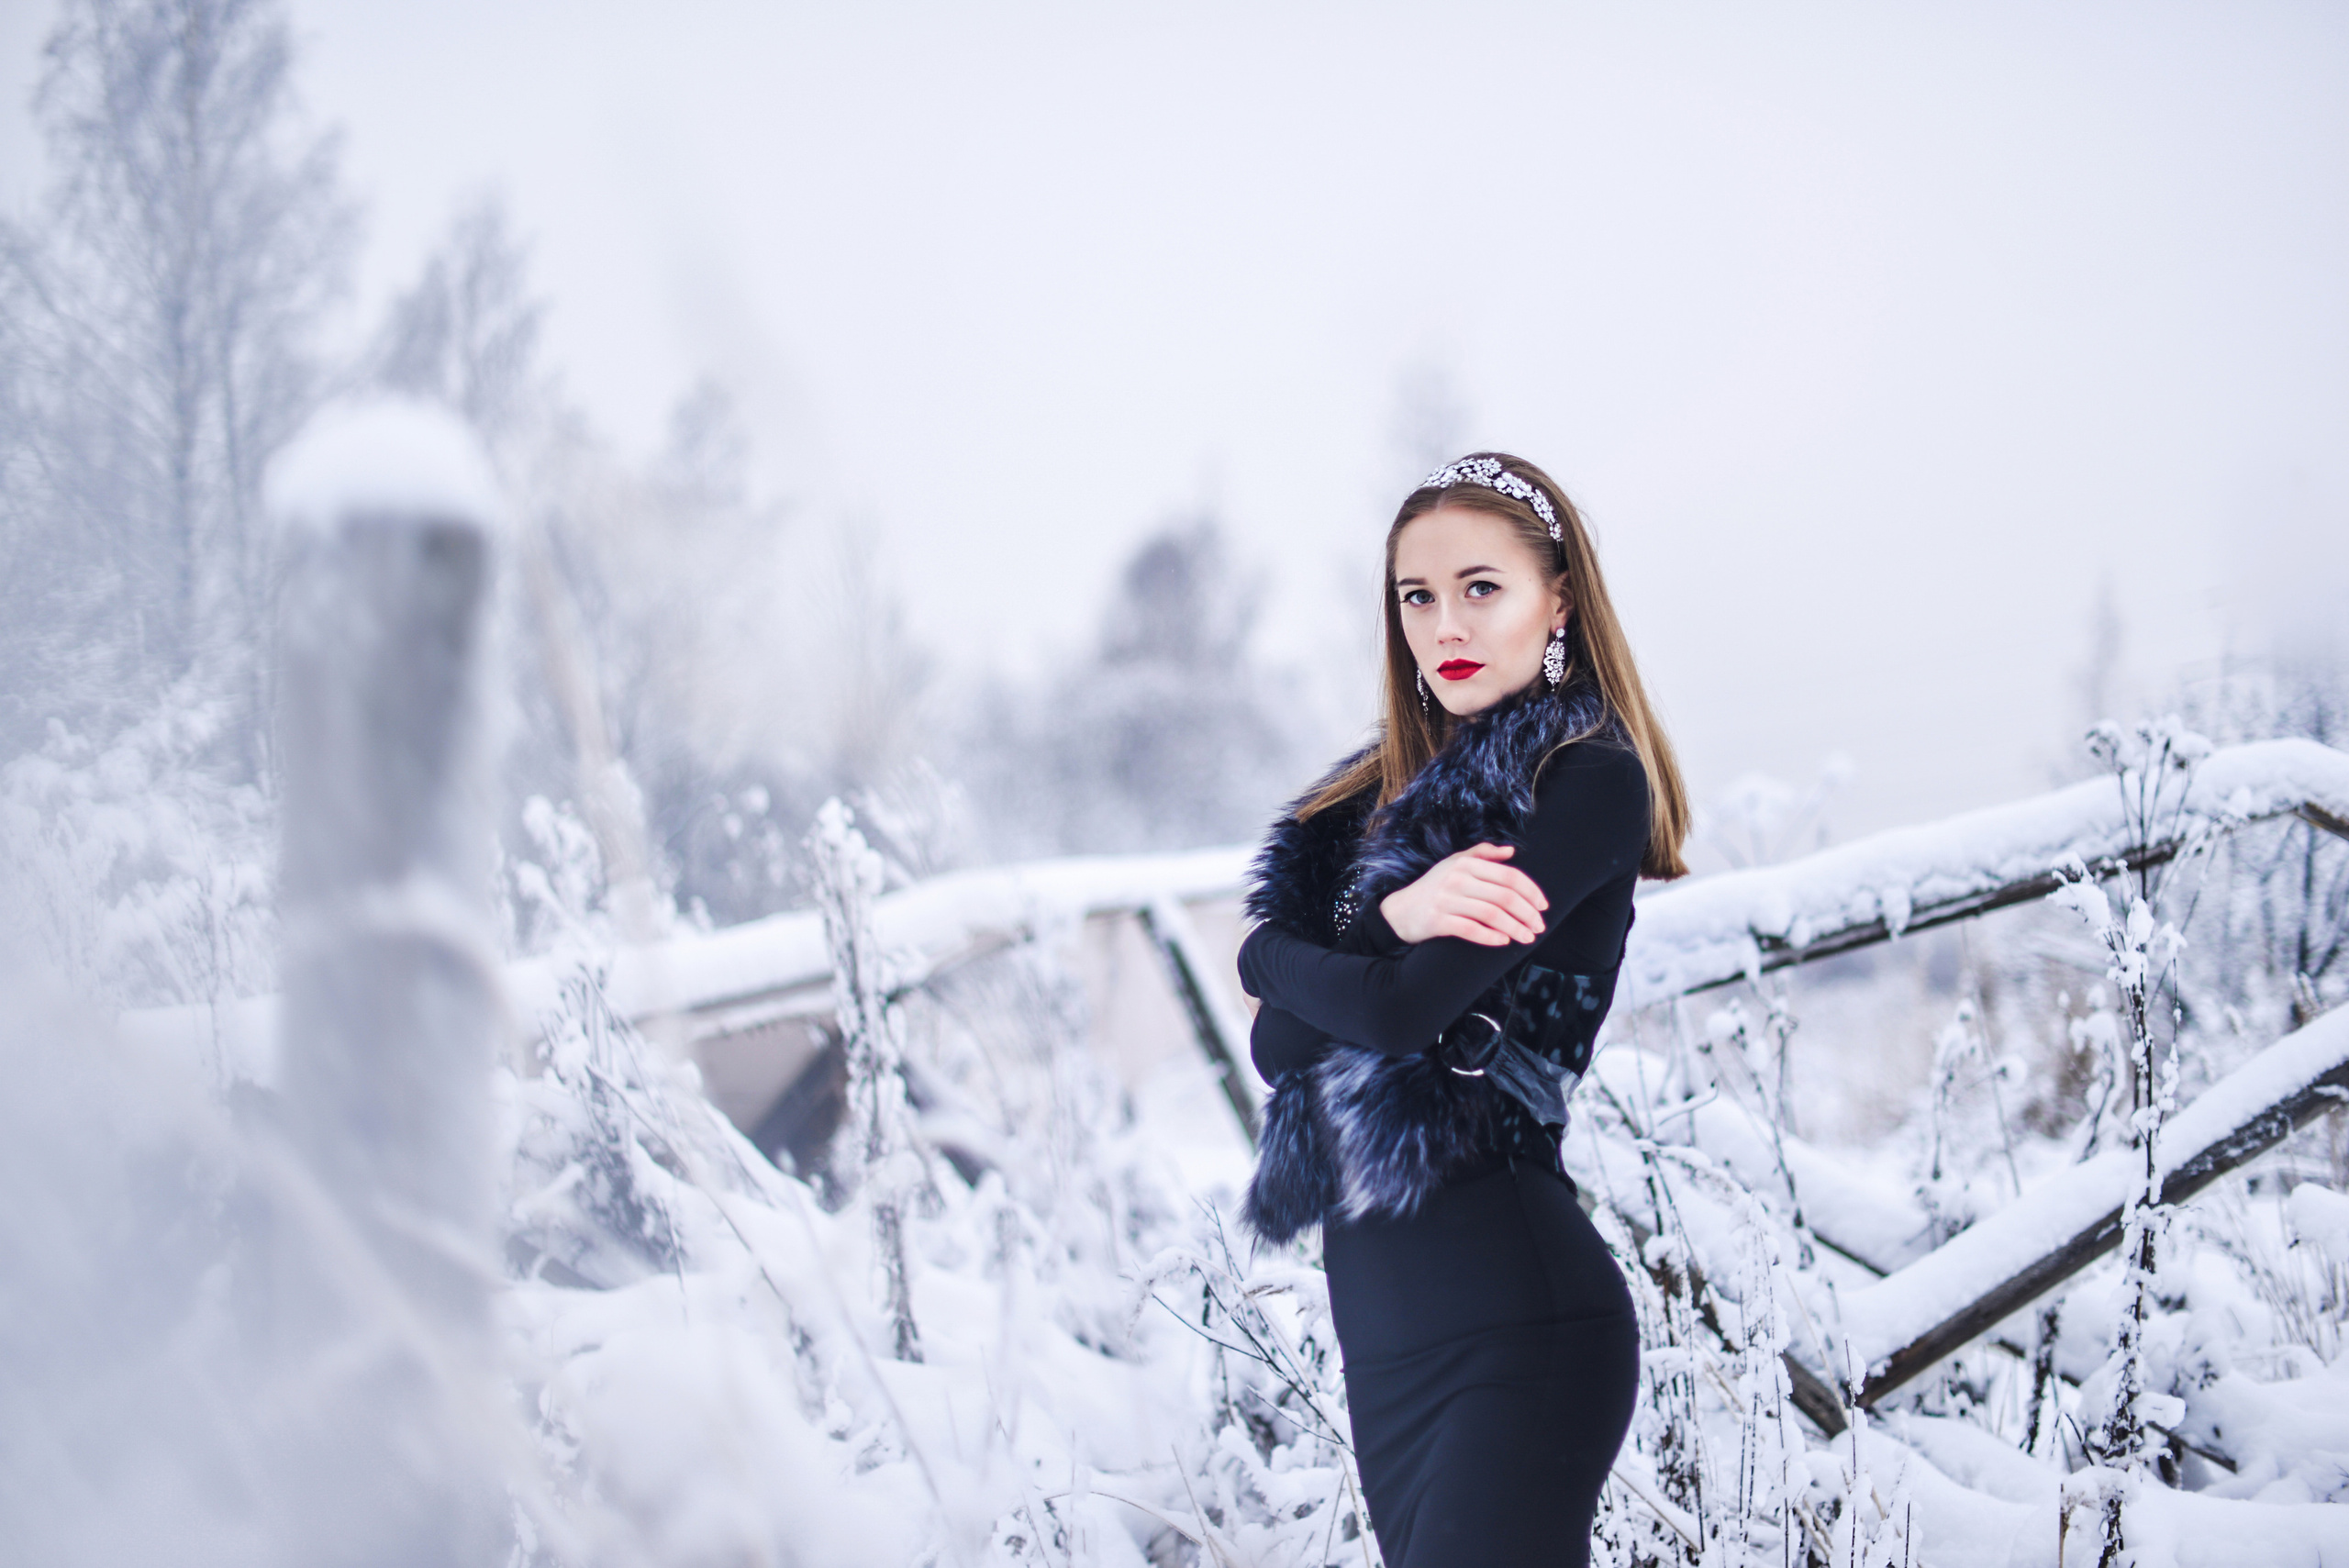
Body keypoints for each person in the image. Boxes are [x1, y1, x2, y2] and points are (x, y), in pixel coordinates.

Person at [1234, 452, 1690, 1568]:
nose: (1446, 621)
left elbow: (1398, 1014)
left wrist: (1276, 954)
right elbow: (1278, 1040)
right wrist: (1383, 921)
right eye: (1418, 594)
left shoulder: (1580, 781)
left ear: (1558, 600)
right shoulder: (1362, 810)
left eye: (1481, 586)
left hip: (1517, 1327)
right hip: (1386, 1350)